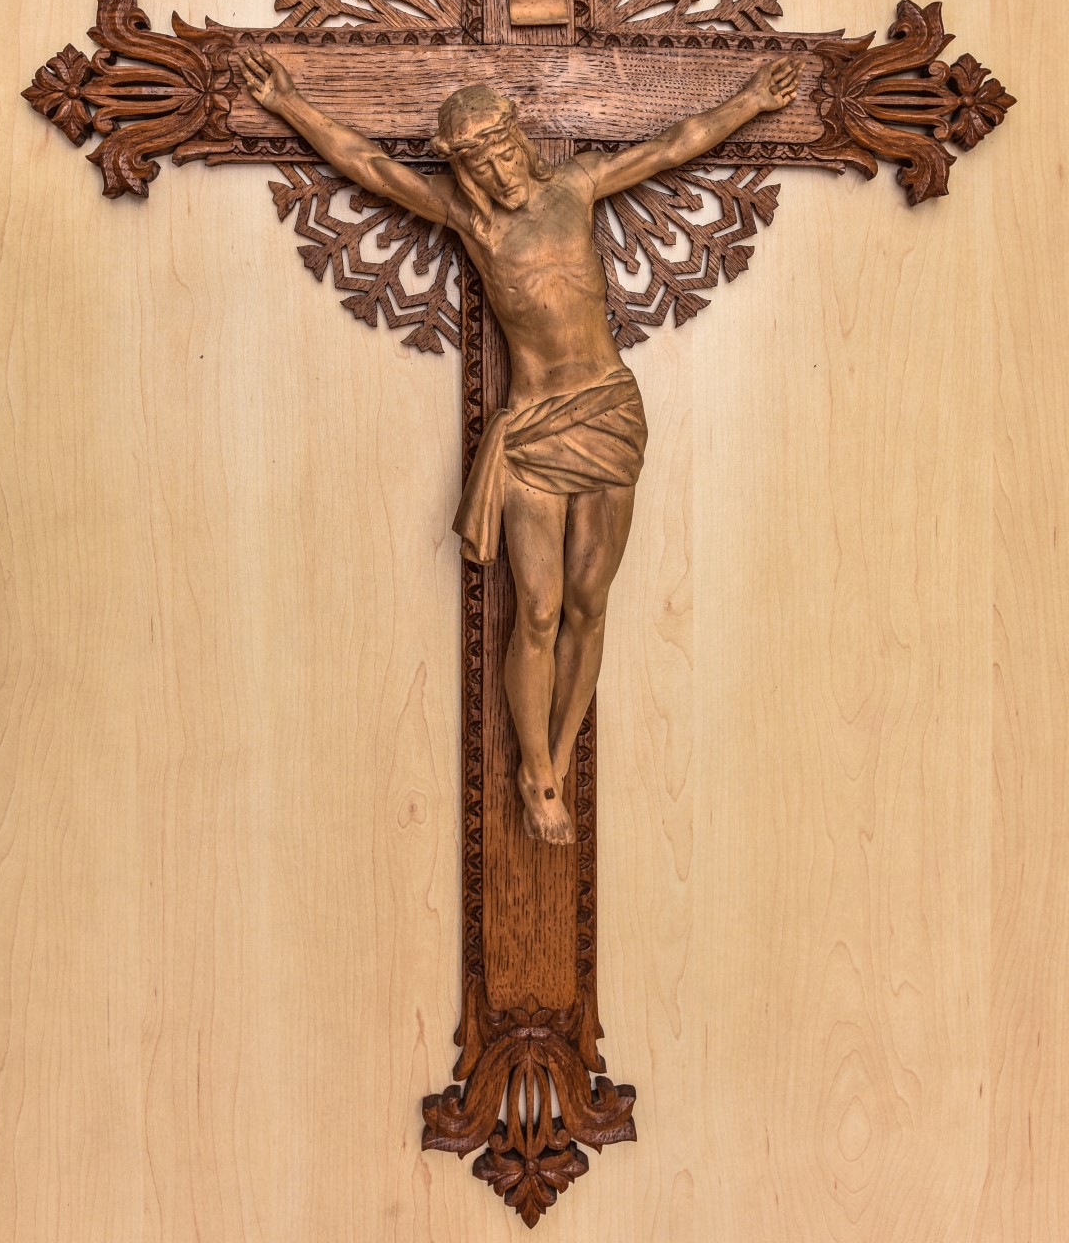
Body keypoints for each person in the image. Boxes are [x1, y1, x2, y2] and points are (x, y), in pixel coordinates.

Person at [237, 47, 802, 844]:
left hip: (608, 411)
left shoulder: (575, 186)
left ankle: (559, 757)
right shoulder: (472, 221)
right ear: (462, 172)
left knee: (589, 602)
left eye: (503, 150)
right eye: (477, 163)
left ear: (521, 141)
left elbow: (672, 145)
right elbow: (368, 165)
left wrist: (750, 101)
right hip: (534, 426)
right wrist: (289, 103)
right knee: (537, 608)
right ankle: (534, 771)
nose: (497, 171)